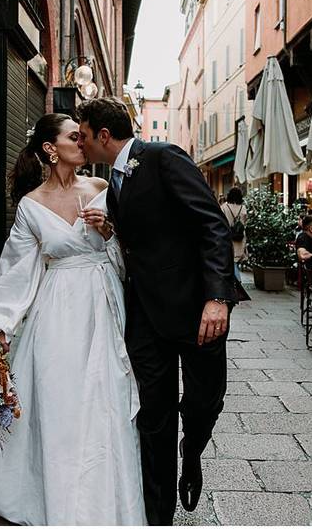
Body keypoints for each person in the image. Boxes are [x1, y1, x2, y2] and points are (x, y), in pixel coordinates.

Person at [0, 113, 146, 525]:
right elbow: (17, 270)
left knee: (104, 402)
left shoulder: (103, 188)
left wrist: (109, 233)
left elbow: (130, 253)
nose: (83, 142)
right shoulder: (31, 206)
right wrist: (1, 329)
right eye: (74, 136)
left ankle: (102, 505)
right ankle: (56, 499)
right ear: (51, 149)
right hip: (56, 314)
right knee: (59, 404)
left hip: (103, 307)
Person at [76, 97, 237, 526]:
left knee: (203, 403)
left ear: (104, 135)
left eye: (85, 135)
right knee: (153, 414)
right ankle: (158, 512)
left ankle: (194, 450)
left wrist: (217, 298)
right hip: (145, 317)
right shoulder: (113, 180)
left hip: (195, 311)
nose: (82, 143)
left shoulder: (164, 157)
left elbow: (212, 224)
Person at [221, 187, 247, 280]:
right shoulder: (243, 208)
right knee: (235, 261)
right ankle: (236, 284)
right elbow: (244, 222)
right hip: (239, 238)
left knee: (231, 262)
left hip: (227, 236)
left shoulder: (224, 207)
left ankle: (237, 284)